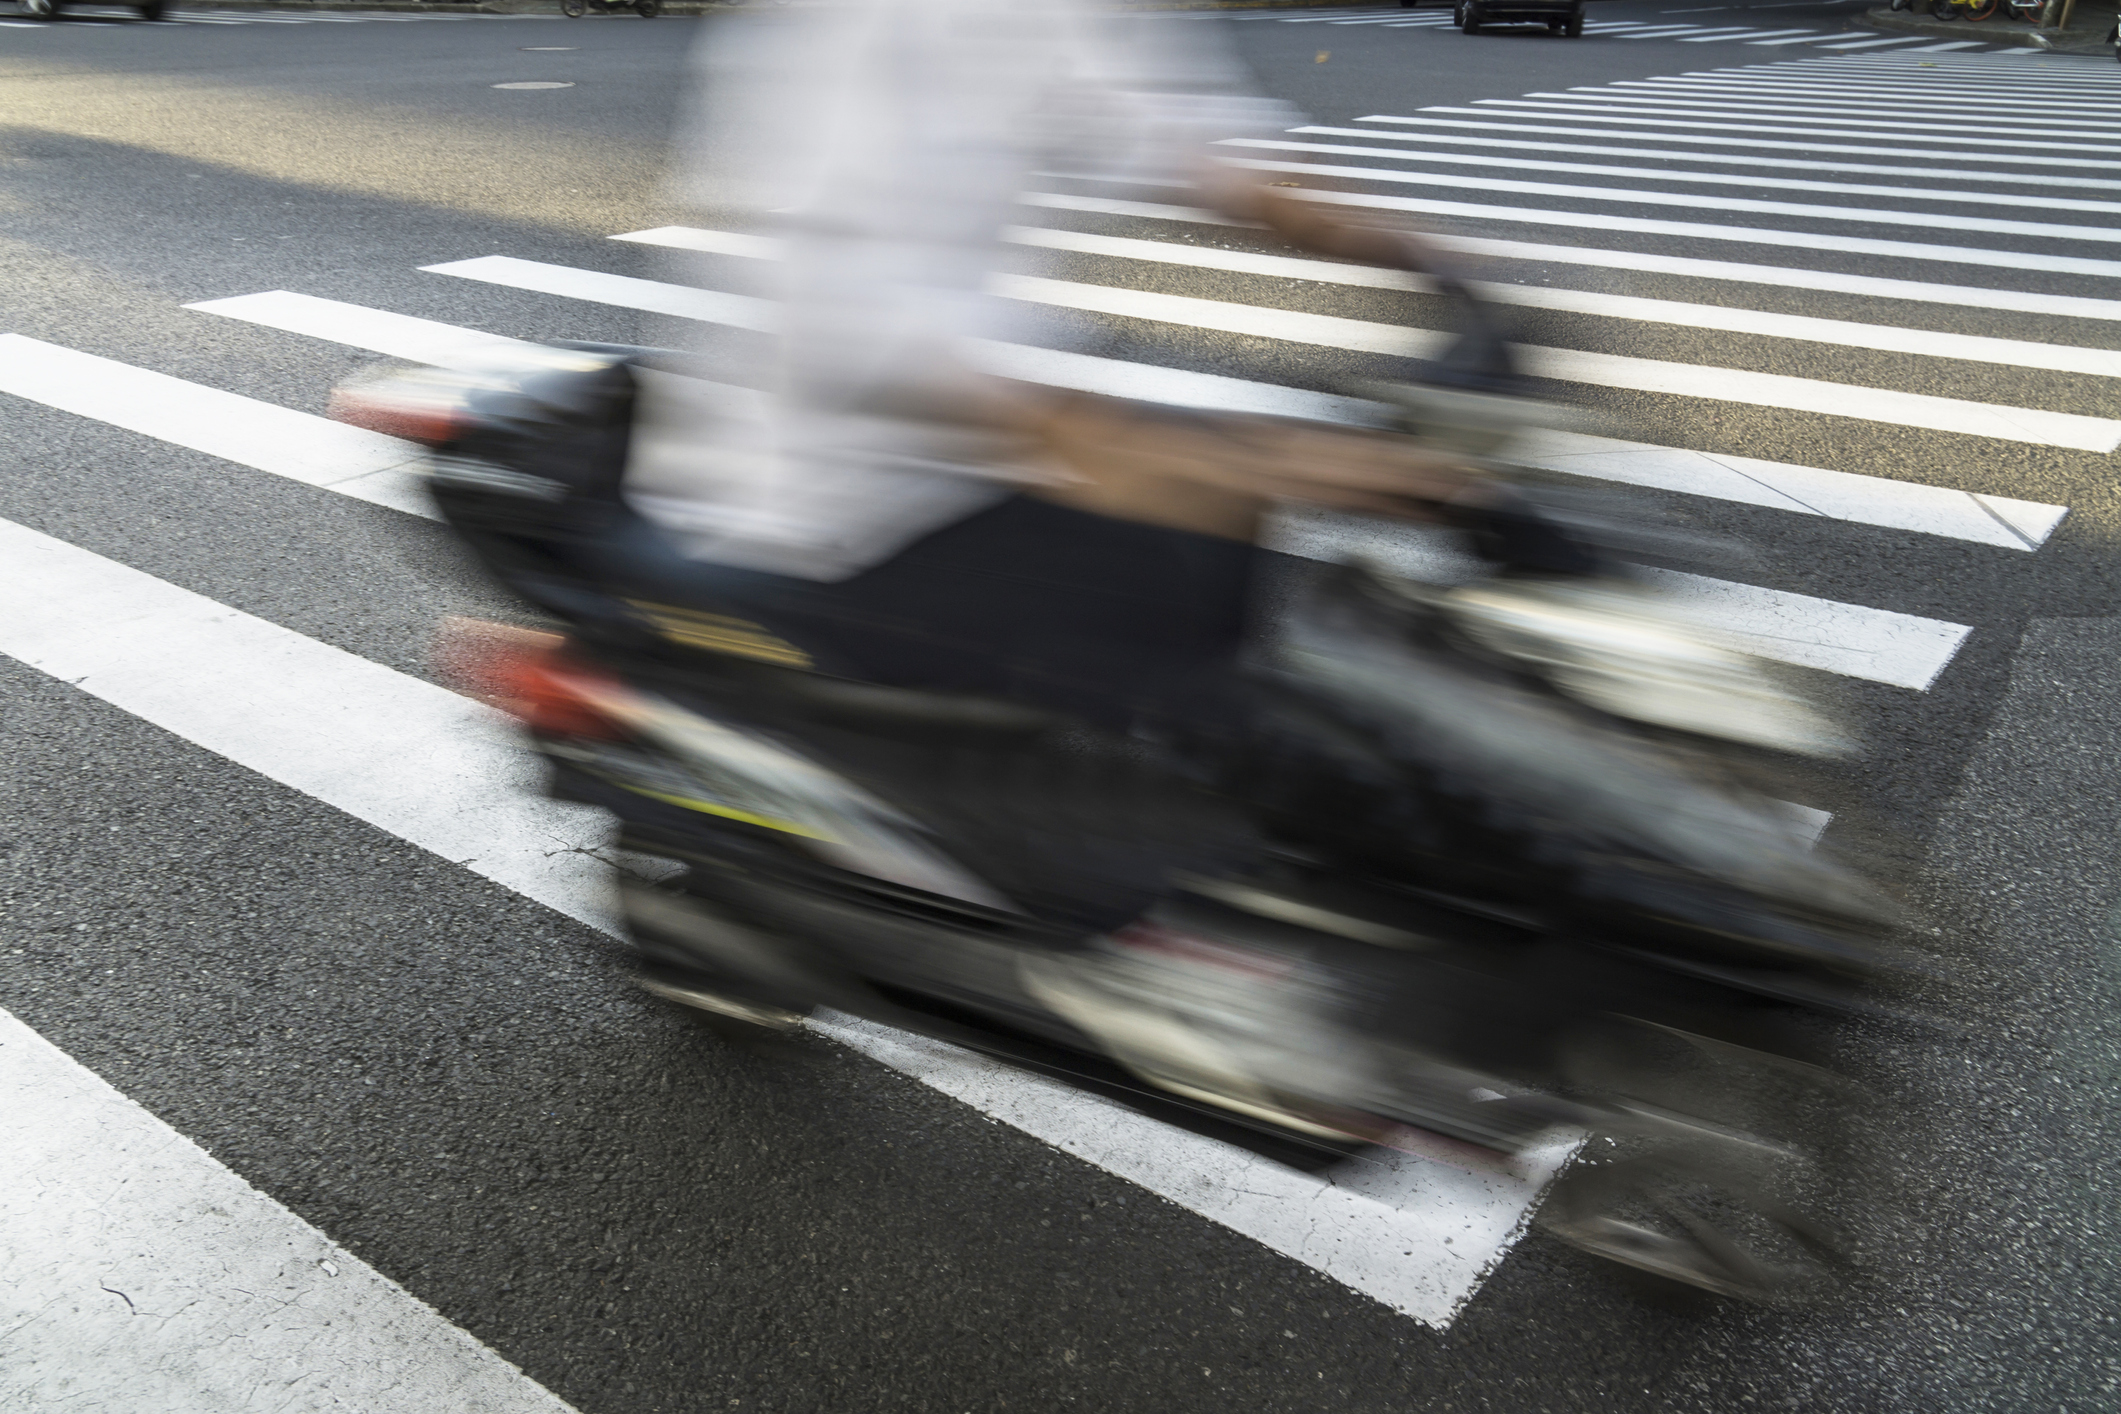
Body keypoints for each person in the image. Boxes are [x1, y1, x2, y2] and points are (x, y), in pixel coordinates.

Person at [611, 0, 1476, 732]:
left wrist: (1437, 269)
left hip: (967, 437)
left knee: (1227, 516)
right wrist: (1105, 439)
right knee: (1202, 527)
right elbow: (829, 312)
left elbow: (1195, 146)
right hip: (827, 497)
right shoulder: (847, 31)